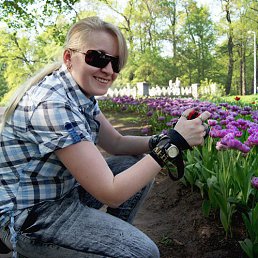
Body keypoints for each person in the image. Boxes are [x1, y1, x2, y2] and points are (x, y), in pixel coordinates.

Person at [0, 16, 210, 258]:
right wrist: (172, 145)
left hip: (59, 195)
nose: (108, 70)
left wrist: (164, 137)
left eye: (115, 63)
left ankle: (109, 246)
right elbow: (110, 193)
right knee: (144, 252)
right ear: (69, 57)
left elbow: (116, 143)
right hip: (29, 219)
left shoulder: (78, 93)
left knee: (131, 162)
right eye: (97, 58)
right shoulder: (53, 105)